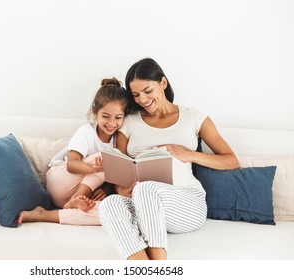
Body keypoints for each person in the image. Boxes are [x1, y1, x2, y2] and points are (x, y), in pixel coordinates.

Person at [98, 58, 240, 260]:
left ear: (163, 83)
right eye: (136, 95)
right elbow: (120, 168)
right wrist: (121, 189)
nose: (142, 100)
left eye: (148, 91)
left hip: (186, 203)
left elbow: (231, 161)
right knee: (110, 204)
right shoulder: (129, 122)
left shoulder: (193, 117)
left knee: (146, 188)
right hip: (142, 204)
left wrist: (187, 154)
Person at [16, 77, 128, 225]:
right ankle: (77, 197)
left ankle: (43, 214)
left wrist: (106, 190)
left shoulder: (117, 140)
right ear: (95, 112)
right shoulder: (86, 132)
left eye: (118, 118)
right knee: (112, 157)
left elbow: (110, 177)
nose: (112, 123)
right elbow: (72, 164)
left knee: (111, 211)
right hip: (61, 180)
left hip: (73, 196)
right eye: (105, 116)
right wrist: (91, 168)